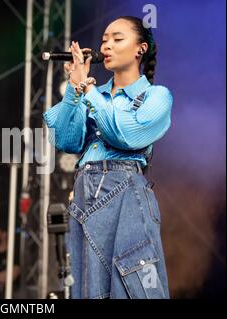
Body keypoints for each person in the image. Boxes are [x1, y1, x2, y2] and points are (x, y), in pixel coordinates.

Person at [43, 16, 173, 299]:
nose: (107, 45)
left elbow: (124, 135)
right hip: (83, 194)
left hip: (125, 195)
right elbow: (65, 139)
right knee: (87, 287)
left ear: (140, 48)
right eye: (104, 40)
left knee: (132, 280)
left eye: (117, 39)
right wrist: (74, 90)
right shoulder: (90, 93)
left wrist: (87, 89)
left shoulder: (156, 96)